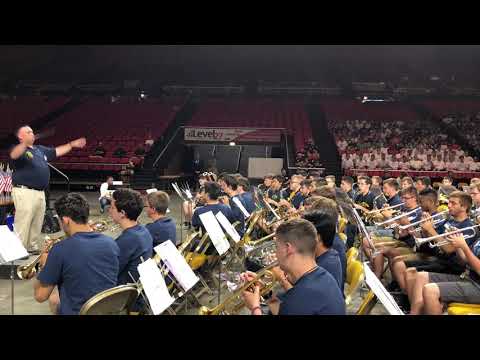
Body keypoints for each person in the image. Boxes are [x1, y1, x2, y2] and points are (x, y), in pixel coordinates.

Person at [33, 193, 120, 315]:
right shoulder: (111, 243)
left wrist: (43, 266)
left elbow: (40, 296)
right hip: (106, 310)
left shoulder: (60, 249)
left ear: (65, 220)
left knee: (54, 299)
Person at [241, 218, 345, 315]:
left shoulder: (298, 300)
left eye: (276, 247)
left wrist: (254, 307)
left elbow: (291, 306)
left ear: (288, 248)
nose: (275, 254)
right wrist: (267, 294)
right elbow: (282, 310)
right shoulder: (324, 276)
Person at [9, 125, 86, 253]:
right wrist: (24, 144)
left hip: (40, 192)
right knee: (23, 221)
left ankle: (31, 246)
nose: (32, 134)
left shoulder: (39, 150)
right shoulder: (19, 150)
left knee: (37, 220)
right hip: (25, 191)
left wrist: (71, 144)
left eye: (33, 132)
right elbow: (13, 154)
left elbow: (56, 151)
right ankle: (18, 250)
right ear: (20, 137)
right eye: (28, 132)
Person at [109, 189, 153, 287]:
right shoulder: (143, 230)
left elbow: (108, 273)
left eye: (112, 208)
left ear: (122, 213)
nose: (109, 210)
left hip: (126, 295)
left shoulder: (127, 240)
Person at [304, 210, 344, 292]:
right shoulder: (322, 255)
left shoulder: (327, 264)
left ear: (317, 237)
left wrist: (282, 278)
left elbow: (304, 294)